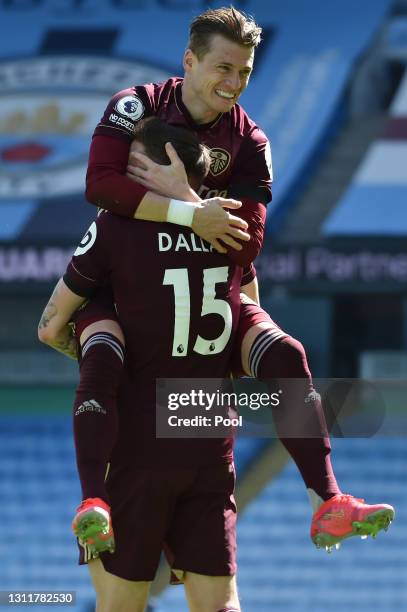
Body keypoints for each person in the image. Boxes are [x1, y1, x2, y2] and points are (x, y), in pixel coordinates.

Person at [45, 1, 394, 582]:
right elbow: (99, 185)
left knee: (287, 355)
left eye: (246, 73)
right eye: (223, 68)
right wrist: (190, 213)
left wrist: (185, 202)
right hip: (131, 310)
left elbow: (246, 245)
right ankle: (93, 499)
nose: (234, 84)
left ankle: (327, 499)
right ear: (190, 61)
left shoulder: (251, 141)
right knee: (104, 358)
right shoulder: (136, 108)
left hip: (207, 317)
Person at [39, 116, 250, 612]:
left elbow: (49, 326)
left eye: (132, 160)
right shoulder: (231, 230)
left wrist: (97, 343)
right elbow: (250, 322)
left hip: (134, 440)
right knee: (220, 604)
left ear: (157, 171)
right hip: (206, 431)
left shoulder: (116, 227)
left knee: (119, 603)